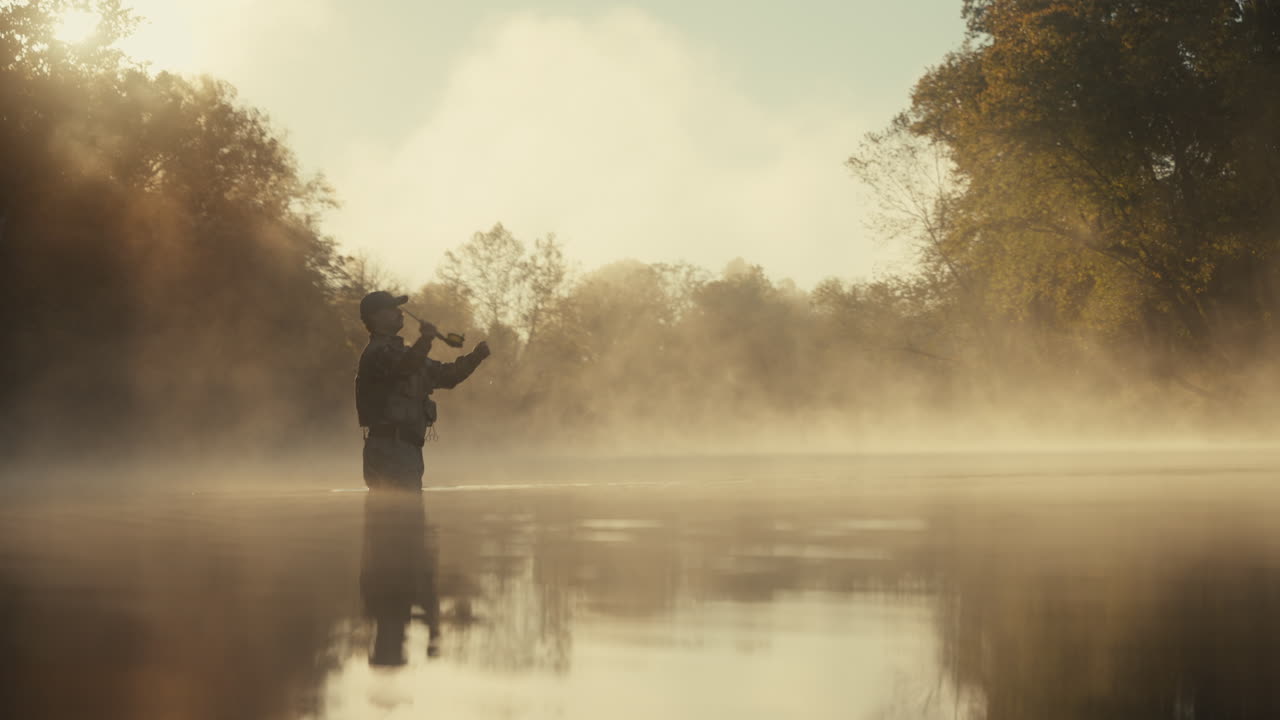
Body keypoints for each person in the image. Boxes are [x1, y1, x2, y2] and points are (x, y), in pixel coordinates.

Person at [355, 290, 490, 490]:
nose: (399, 312)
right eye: (391, 308)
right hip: (388, 448)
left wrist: (477, 356)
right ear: (374, 316)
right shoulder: (377, 352)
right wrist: (425, 339)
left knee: (407, 517)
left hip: (407, 450)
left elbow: (447, 376)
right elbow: (403, 368)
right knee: (395, 516)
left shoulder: (404, 353)